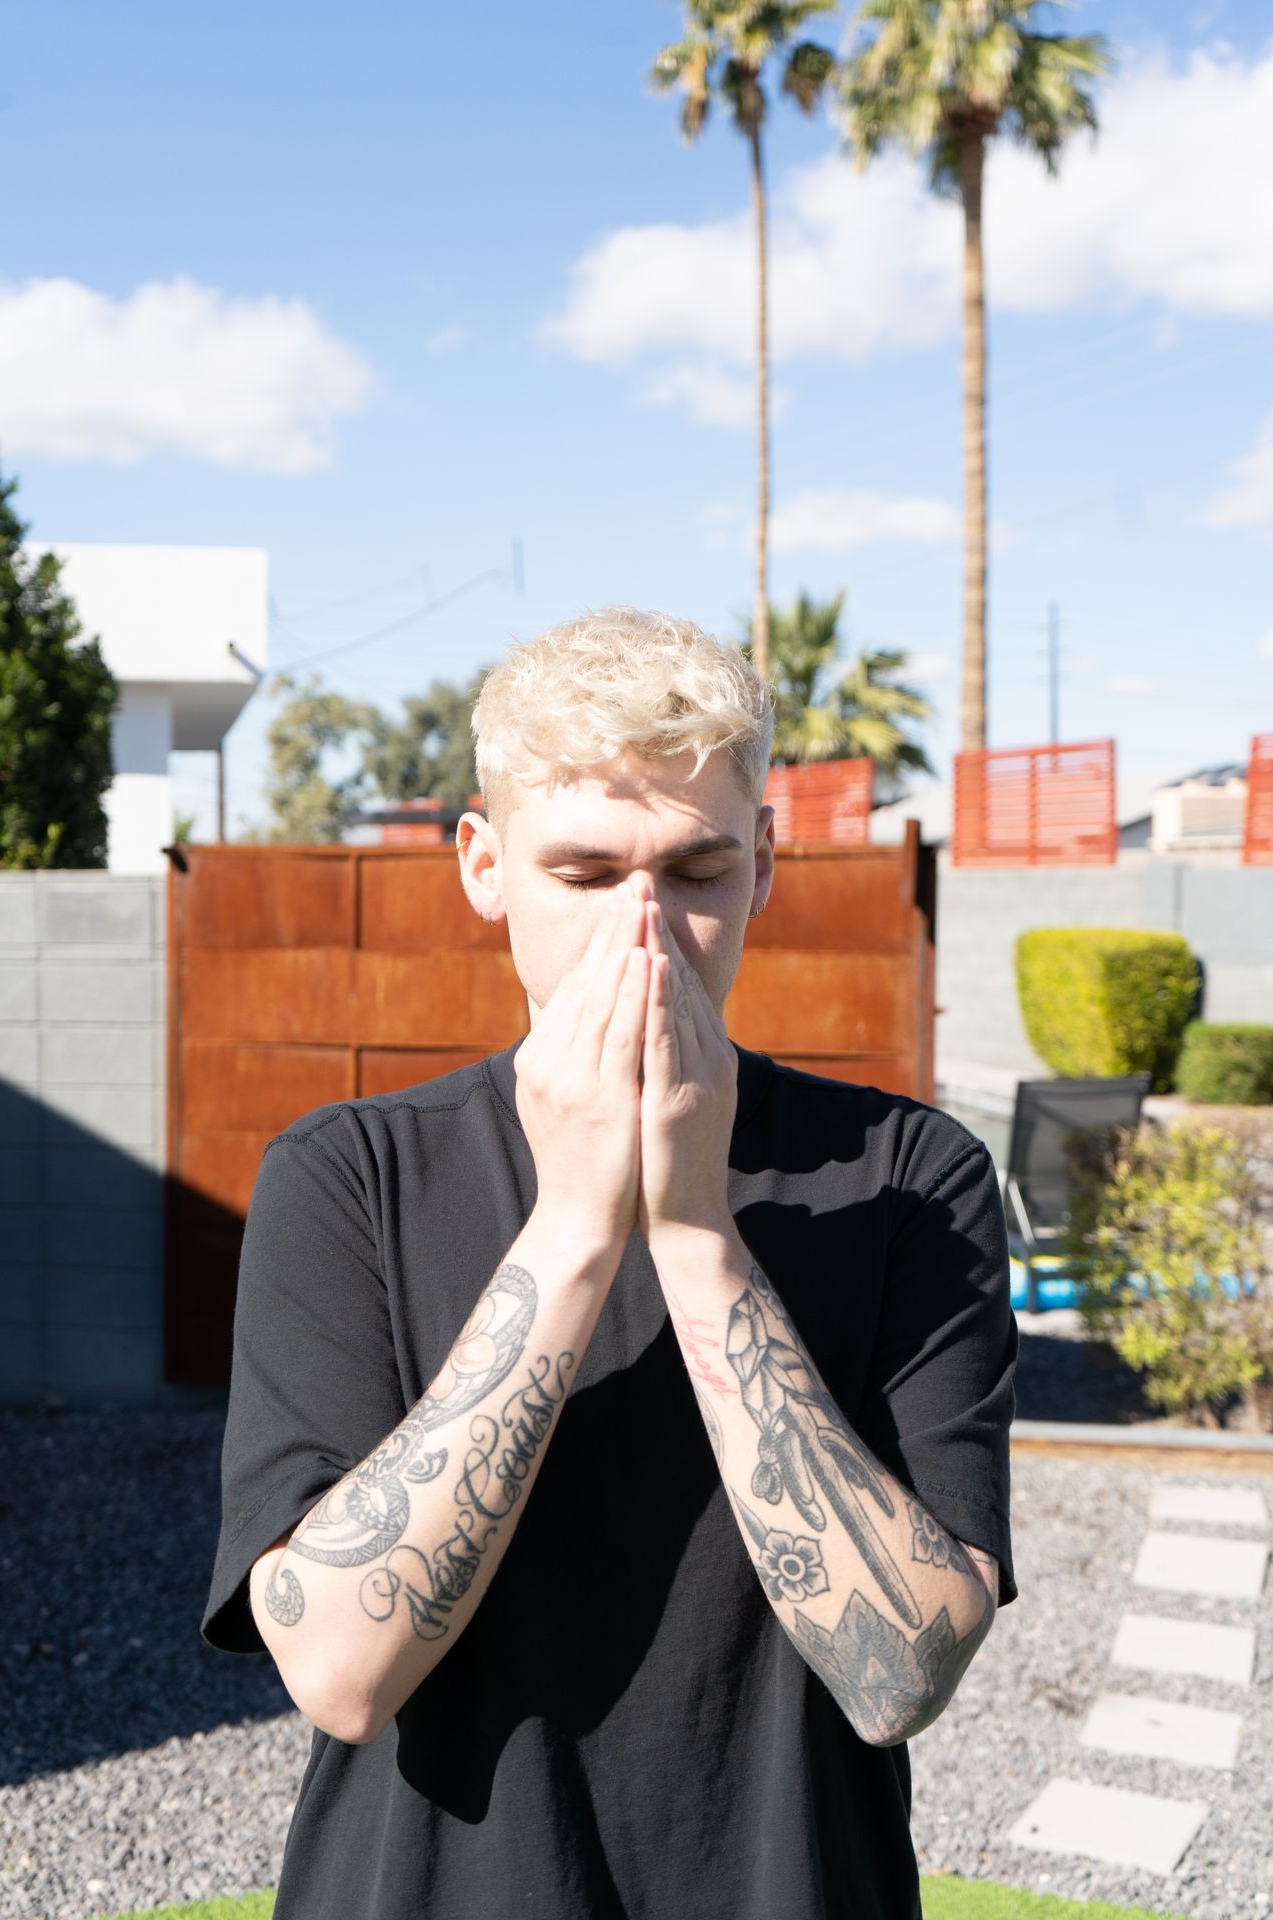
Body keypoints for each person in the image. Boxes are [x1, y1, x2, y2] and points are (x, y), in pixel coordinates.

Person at [202, 607, 1016, 1920]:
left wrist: (694, 1232)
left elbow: (901, 1674)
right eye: (584, 874)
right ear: (483, 864)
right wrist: (577, 1229)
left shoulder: (913, 1179)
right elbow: (341, 1669)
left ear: (763, 869)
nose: (645, 933)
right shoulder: (347, 1176)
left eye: (696, 872)